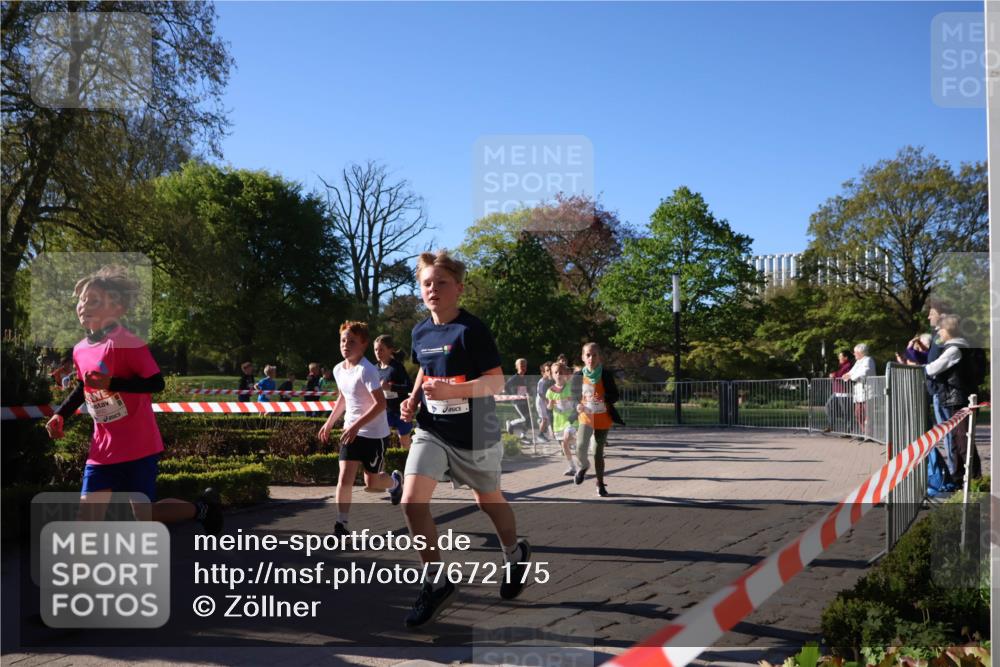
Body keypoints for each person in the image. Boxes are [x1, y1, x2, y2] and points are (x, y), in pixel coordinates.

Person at [399, 250, 531, 628]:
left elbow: (495, 380)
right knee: (411, 502)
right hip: (432, 429)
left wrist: (455, 392)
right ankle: (437, 582)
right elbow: (425, 371)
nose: (433, 289)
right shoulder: (420, 331)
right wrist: (412, 400)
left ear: (458, 288)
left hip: (476, 433)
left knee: (488, 501)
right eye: (427, 283)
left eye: (441, 283)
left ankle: (514, 552)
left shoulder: (472, 330)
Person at [44, 265, 222, 533]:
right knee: (87, 517)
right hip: (102, 448)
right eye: (81, 300)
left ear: (117, 309)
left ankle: (203, 508)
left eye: (94, 301)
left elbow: (155, 383)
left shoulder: (128, 342)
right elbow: (83, 386)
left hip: (138, 445)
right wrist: (61, 414)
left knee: (144, 514)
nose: (83, 306)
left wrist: (112, 383)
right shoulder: (81, 349)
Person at [318, 322, 403, 538]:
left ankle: (395, 483)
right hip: (351, 432)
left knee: (372, 482)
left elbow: (380, 404)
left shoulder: (367, 370)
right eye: (343, 340)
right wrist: (329, 423)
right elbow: (344, 398)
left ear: (364, 344)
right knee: (344, 478)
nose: (346, 344)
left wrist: (357, 426)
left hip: (374, 435)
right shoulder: (338, 369)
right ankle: (341, 525)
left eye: (352, 341)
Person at [924, 315, 983, 485]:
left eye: (940, 330)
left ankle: (974, 479)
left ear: (948, 330)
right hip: (956, 399)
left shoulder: (954, 349)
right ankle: (959, 478)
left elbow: (932, 368)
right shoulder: (956, 347)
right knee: (958, 442)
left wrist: (923, 369)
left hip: (959, 399)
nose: (938, 333)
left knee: (964, 441)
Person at [571, 342, 624, 497]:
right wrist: (577, 405)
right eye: (588, 355)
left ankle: (600, 483)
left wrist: (604, 398)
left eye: (594, 355)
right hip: (585, 417)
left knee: (597, 452)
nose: (591, 358)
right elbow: (574, 397)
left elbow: (615, 395)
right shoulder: (578, 376)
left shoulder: (606, 375)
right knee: (580, 446)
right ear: (583, 357)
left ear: (599, 357)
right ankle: (583, 466)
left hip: (602, 418)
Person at [374, 334, 414, 450]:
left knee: (404, 442)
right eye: (376, 349)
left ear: (390, 350)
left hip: (401, 411)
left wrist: (391, 387)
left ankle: (407, 466)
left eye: (381, 349)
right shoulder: (374, 368)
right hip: (384, 411)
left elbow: (410, 387)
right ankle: (381, 467)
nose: (378, 352)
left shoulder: (397, 367)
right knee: (380, 441)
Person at [546, 361, 579, 476]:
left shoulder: (570, 387)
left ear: (565, 374)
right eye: (556, 372)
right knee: (565, 445)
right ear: (552, 375)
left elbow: (577, 400)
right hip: (558, 422)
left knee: (566, 440)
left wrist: (572, 400)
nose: (558, 375)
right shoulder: (550, 391)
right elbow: (549, 408)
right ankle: (572, 466)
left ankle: (579, 464)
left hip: (571, 420)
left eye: (561, 372)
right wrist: (550, 404)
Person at [846, 343, 876, 437]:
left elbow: (864, 372)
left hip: (868, 392)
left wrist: (851, 377)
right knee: (858, 414)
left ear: (860, 352)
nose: (854, 354)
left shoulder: (868, 360)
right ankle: (864, 432)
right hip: (859, 393)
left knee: (868, 415)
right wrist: (847, 375)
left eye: (855, 352)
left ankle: (869, 435)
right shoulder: (858, 362)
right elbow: (851, 372)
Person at [823, 350, 853, 433]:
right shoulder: (840, 365)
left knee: (846, 412)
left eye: (840, 356)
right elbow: (837, 372)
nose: (839, 358)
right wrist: (833, 374)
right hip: (837, 392)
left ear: (845, 357)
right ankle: (831, 426)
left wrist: (834, 375)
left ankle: (848, 431)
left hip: (845, 392)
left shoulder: (848, 365)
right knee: (828, 406)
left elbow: (842, 375)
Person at [503, 358, 532, 437]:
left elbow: (528, 388)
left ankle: (523, 436)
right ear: (516, 367)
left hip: (525, 401)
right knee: (525, 418)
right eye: (521, 366)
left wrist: (529, 393)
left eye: (525, 366)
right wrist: (512, 395)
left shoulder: (526, 378)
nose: (523, 368)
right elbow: (505, 387)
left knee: (528, 419)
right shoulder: (514, 379)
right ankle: (511, 424)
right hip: (517, 401)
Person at [535, 361, 554, 442]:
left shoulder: (551, 380)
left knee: (546, 419)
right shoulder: (542, 381)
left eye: (550, 370)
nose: (549, 372)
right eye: (547, 370)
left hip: (547, 401)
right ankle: (540, 435)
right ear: (544, 372)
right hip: (541, 402)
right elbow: (541, 394)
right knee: (545, 419)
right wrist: (547, 401)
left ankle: (543, 430)